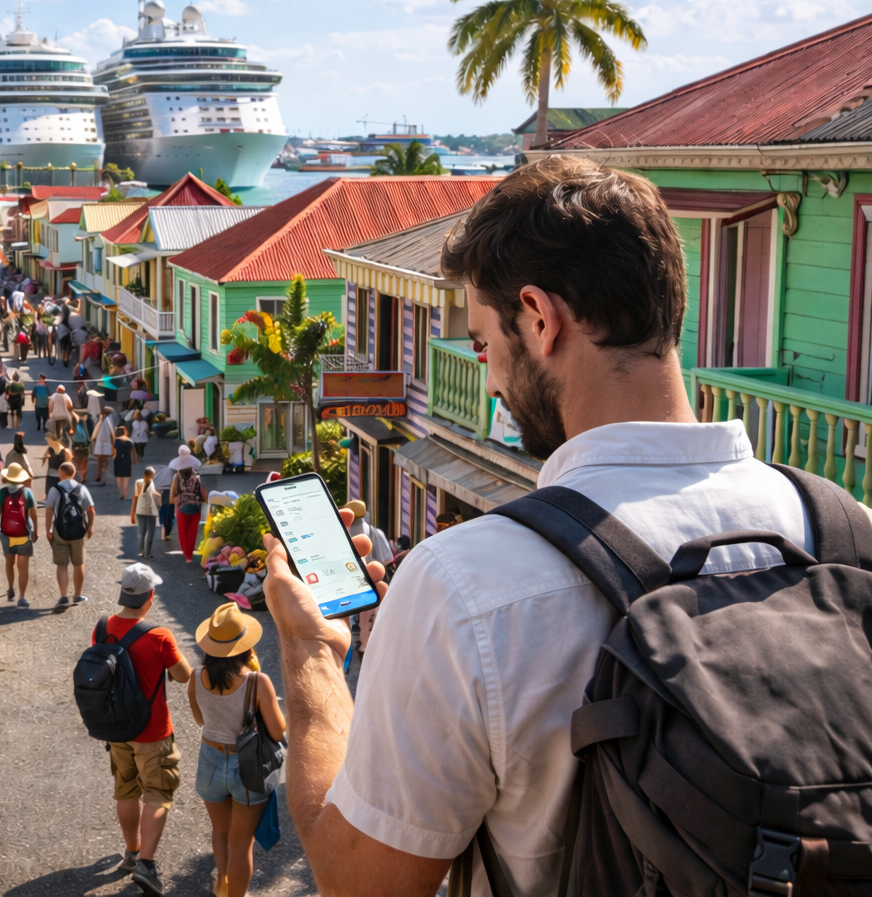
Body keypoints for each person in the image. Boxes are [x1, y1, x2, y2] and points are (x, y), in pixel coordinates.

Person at [260, 154, 821, 895]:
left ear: (540, 318)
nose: (487, 372)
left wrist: (311, 655)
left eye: (486, 342)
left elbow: (358, 883)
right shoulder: (843, 533)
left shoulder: (466, 587)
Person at [98, 562, 193, 896]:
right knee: (158, 793)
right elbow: (183, 675)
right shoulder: (159, 636)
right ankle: (147, 866)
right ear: (150, 596)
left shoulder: (102, 626)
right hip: (152, 730)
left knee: (126, 788)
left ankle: (132, 852)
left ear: (123, 591)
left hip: (116, 727)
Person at [187, 602, 287, 897]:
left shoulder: (195, 677)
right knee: (241, 841)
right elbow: (279, 730)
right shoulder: (257, 681)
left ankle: (222, 881)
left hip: (210, 761)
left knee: (221, 830)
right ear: (245, 647)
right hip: (247, 767)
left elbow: (199, 719)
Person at [45, 461, 94, 606]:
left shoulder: (54, 489)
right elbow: (91, 509)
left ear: (60, 474)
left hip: (60, 531)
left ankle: (63, 596)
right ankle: (78, 595)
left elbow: (49, 510)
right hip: (78, 531)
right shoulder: (82, 488)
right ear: (74, 473)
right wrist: (90, 527)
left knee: (62, 565)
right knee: (78, 563)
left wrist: (48, 530)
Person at [0, 463, 38, 606]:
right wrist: (36, 530)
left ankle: (10, 587)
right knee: (23, 567)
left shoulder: (1, 493)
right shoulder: (27, 492)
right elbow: (33, 514)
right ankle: (22, 597)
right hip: (24, 534)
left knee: (9, 562)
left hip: (6, 534)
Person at [167, 447, 205, 564]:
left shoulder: (177, 477)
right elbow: (200, 491)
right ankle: (189, 553)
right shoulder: (197, 477)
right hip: (196, 507)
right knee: (192, 532)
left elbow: (173, 493)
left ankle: (187, 554)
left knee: (183, 532)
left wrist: (172, 503)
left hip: (182, 507)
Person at [130, 467, 162, 561]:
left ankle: (142, 551)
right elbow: (153, 494)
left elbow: (135, 497)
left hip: (140, 510)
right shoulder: (152, 482)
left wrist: (132, 513)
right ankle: (147, 554)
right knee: (150, 532)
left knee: (142, 531)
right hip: (150, 511)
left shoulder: (138, 482)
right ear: (151, 475)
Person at [91, 406, 118, 483]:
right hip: (102, 443)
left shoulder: (107, 420)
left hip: (104, 443)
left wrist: (113, 444)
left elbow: (112, 434)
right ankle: (99, 476)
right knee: (101, 460)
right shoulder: (102, 421)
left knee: (103, 461)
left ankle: (103, 478)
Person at [113, 425, 135, 500]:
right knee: (126, 479)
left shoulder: (115, 441)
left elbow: (113, 451)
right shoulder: (129, 441)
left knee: (119, 478)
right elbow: (133, 451)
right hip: (127, 460)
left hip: (117, 460)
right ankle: (126, 495)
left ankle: (120, 494)